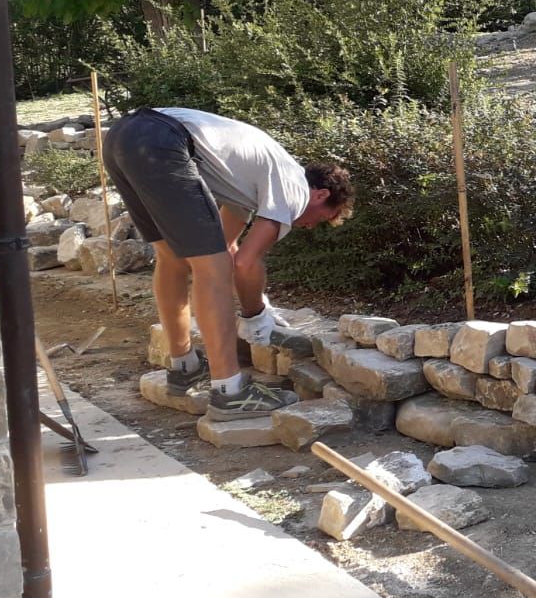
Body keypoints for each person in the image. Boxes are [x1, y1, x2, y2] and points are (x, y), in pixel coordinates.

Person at [103, 107, 353, 420]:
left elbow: (221, 244)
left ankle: (184, 368)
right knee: (213, 267)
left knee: (173, 258)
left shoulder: (254, 179)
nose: (311, 226)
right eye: (324, 218)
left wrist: (257, 300)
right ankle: (230, 392)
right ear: (320, 195)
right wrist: (255, 317)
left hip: (123, 137)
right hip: (163, 141)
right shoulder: (294, 190)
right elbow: (244, 264)